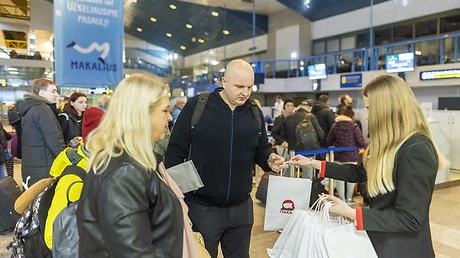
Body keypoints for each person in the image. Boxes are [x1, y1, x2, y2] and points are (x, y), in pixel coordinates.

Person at [289, 74, 446, 257]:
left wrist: (351, 212)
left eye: (370, 108)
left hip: (404, 249)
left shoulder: (415, 149)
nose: (368, 115)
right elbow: (358, 172)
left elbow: (410, 218)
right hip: (381, 243)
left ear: (388, 108)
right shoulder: (390, 144)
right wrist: (312, 163)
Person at [165, 59, 284, 258]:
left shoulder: (253, 112)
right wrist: (185, 196)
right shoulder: (198, 106)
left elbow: (261, 149)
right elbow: (174, 154)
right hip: (201, 209)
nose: (245, 93)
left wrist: (268, 159)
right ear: (224, 81)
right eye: (239, 86)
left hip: (241, 210)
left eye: (249, 87)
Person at [77, 74, 185, 257]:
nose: (169, 118)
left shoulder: (125, 163)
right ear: (142, 114)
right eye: (164, 111)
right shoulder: (124, 174)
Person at [19, 78, 65, 186]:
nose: (56, 94)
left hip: (33, 166)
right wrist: (66, 160)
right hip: (45, 168)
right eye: (53, 91)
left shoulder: (30, 109)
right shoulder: (43, 110)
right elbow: (54, 141)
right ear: (41, 93)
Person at [326, 106, 366, 204]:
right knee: (351, 177)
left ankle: (341, 199)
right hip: (352, 155)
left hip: (338, 155)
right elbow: (361, 142)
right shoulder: (354, 126)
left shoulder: (335, 126)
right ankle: (349, 199)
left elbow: (329, 141)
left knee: (340, 178)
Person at [280, 99, 324, 179]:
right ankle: (305, 191)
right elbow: (321, 135)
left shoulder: (288, 118)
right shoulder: (311, 117)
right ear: (309, 108)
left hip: (292, 151)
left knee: (288, 175)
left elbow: (282, 135)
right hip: (308, 151)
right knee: (307, 176)